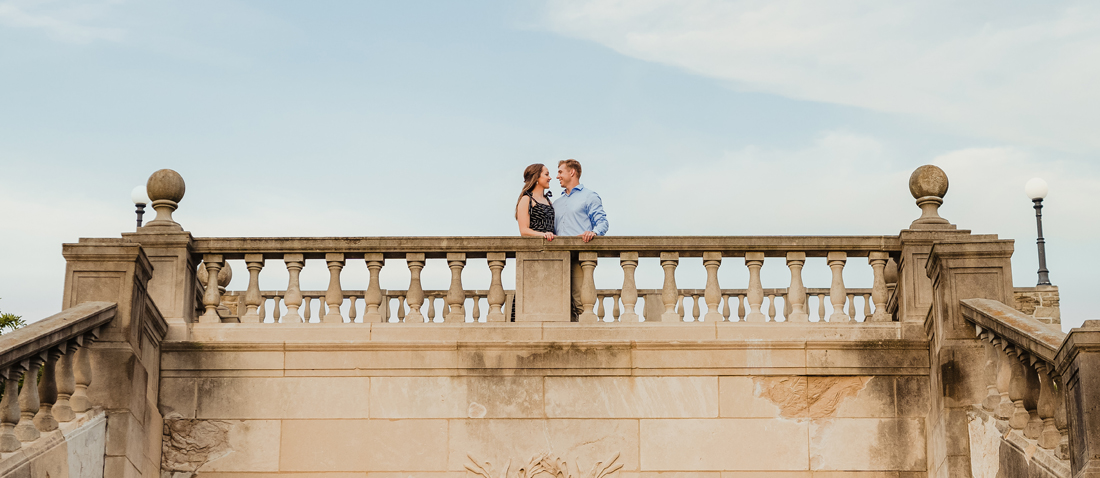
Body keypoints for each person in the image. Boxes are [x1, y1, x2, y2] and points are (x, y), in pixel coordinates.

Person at [553, 159, 609, 320]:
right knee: (559, 305)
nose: (557, 176)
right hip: (557, 259)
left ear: (572, 172)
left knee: (581, 303)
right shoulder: (556, 203)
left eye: (560, 172)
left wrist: (594, 232)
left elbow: (603, 222)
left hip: (579, 258)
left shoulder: (589, 196)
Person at [515, 163, 556, 241]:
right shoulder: (526, 199)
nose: (550, 178)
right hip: (535, 247)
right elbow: (524, 231)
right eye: (546, 174)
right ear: (536, 177)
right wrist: (544, 235)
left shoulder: (548, 200)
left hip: (550, 246)